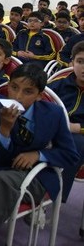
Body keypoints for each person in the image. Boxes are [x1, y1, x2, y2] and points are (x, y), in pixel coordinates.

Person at [0, 64, 79, 246]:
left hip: (36, 175)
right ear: (8, 86)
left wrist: (39, 155)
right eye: (14, 87)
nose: (17, 96)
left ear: (39, 96)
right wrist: (4, 130)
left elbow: (69, 154)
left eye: (28, 92)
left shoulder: (54, 114)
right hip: (1, 166)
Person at [48, 40, 84, 202]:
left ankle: (56, 196)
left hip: (78, 136)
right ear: (72, 62)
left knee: (76, 142)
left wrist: (78, 128)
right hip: (54, 129)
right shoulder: (57, 85)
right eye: (80, 61)